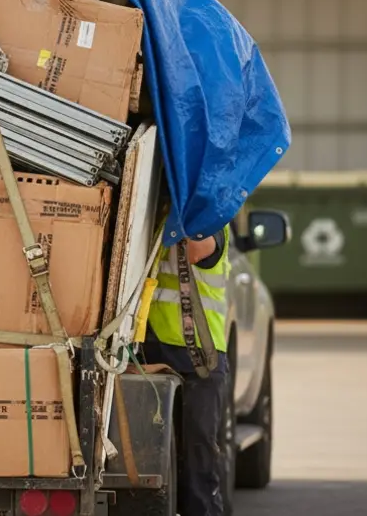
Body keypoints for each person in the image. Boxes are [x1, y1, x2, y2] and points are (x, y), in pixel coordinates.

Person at [142, 219, 232, 516]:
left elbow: (196, 250)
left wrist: (181, 211)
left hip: (200, 356)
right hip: (153, 348)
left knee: (198, 457)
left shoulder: (211, 217)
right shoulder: (154, 212)